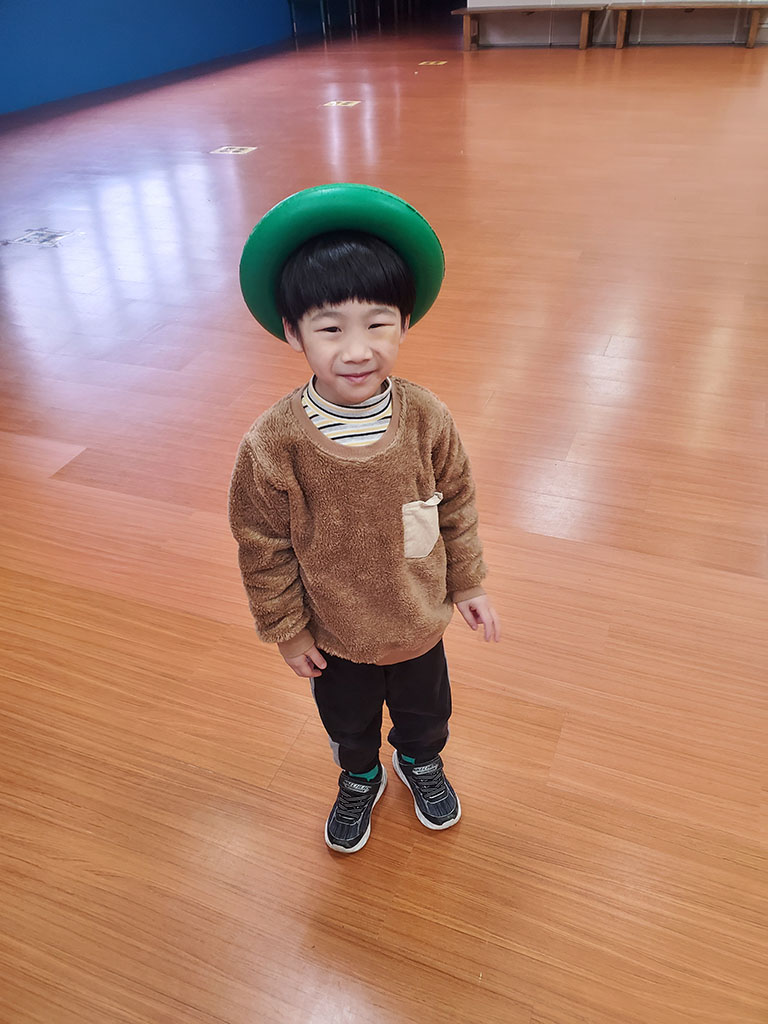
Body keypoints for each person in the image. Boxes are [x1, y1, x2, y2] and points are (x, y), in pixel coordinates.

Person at [229, 183, 501, 854]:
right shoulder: (273, 444)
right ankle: (359, 776)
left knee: (426, 714)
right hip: (335, 630)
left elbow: (456, 503)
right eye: (330, 329)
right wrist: (287, 629)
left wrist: (467, 581)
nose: (357, 350)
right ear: (292, 331)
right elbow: (262, 546)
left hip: (416, 618)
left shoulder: (427, 418)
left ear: (404, 323)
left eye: (377, 324)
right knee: (348, 724)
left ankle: (420, 763)